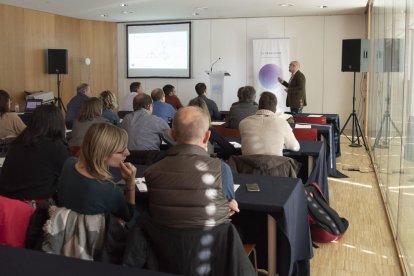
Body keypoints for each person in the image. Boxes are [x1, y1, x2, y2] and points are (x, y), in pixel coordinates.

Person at [144, 106, 239, 228]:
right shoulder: (222, 169)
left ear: (171, 135)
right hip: (210, 243)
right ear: (206, 136)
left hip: (163, 244)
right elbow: (227, 204)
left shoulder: (152, 171)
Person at [58, 123, 136, 221]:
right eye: (121, 151)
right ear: (103, 155)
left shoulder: (68, 163)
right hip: (94, 235)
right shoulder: (110, 191)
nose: (128, 153)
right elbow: (128, 216)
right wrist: (130, 184)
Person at [0, 105, 70, 201]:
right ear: (60, 125)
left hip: (7, 205)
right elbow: (69, 180)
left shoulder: (16, 144)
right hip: (34, 209)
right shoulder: (57, 149)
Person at [239, 92, 300, 156]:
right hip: (275, 165)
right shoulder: (282, 123)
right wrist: (280, 145)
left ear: (258, 106)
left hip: (247, 165)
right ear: (275, 108)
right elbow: (295, 147)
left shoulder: (243, 123)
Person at [121, 94, 173, 164]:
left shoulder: (125, 119)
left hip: (127, 161)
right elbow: (173, 142)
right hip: (151, 162)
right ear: (149, 106)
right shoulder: (157, 121)